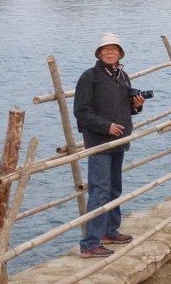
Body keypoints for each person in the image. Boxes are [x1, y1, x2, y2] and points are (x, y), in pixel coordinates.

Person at [74, 33, 146, 258]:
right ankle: (90, 243)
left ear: (120, 53)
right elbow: (81, 111)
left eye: (114, 49)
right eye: (106, 49)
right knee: (99, 191)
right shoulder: (90, 77)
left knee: (115, 188)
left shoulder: (122, 75)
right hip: (100, 142)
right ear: (98, 52)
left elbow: (127, 109)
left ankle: (109, 231)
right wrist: (106, 127)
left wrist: (137, 106)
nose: (110, 52)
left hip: (120, 141)